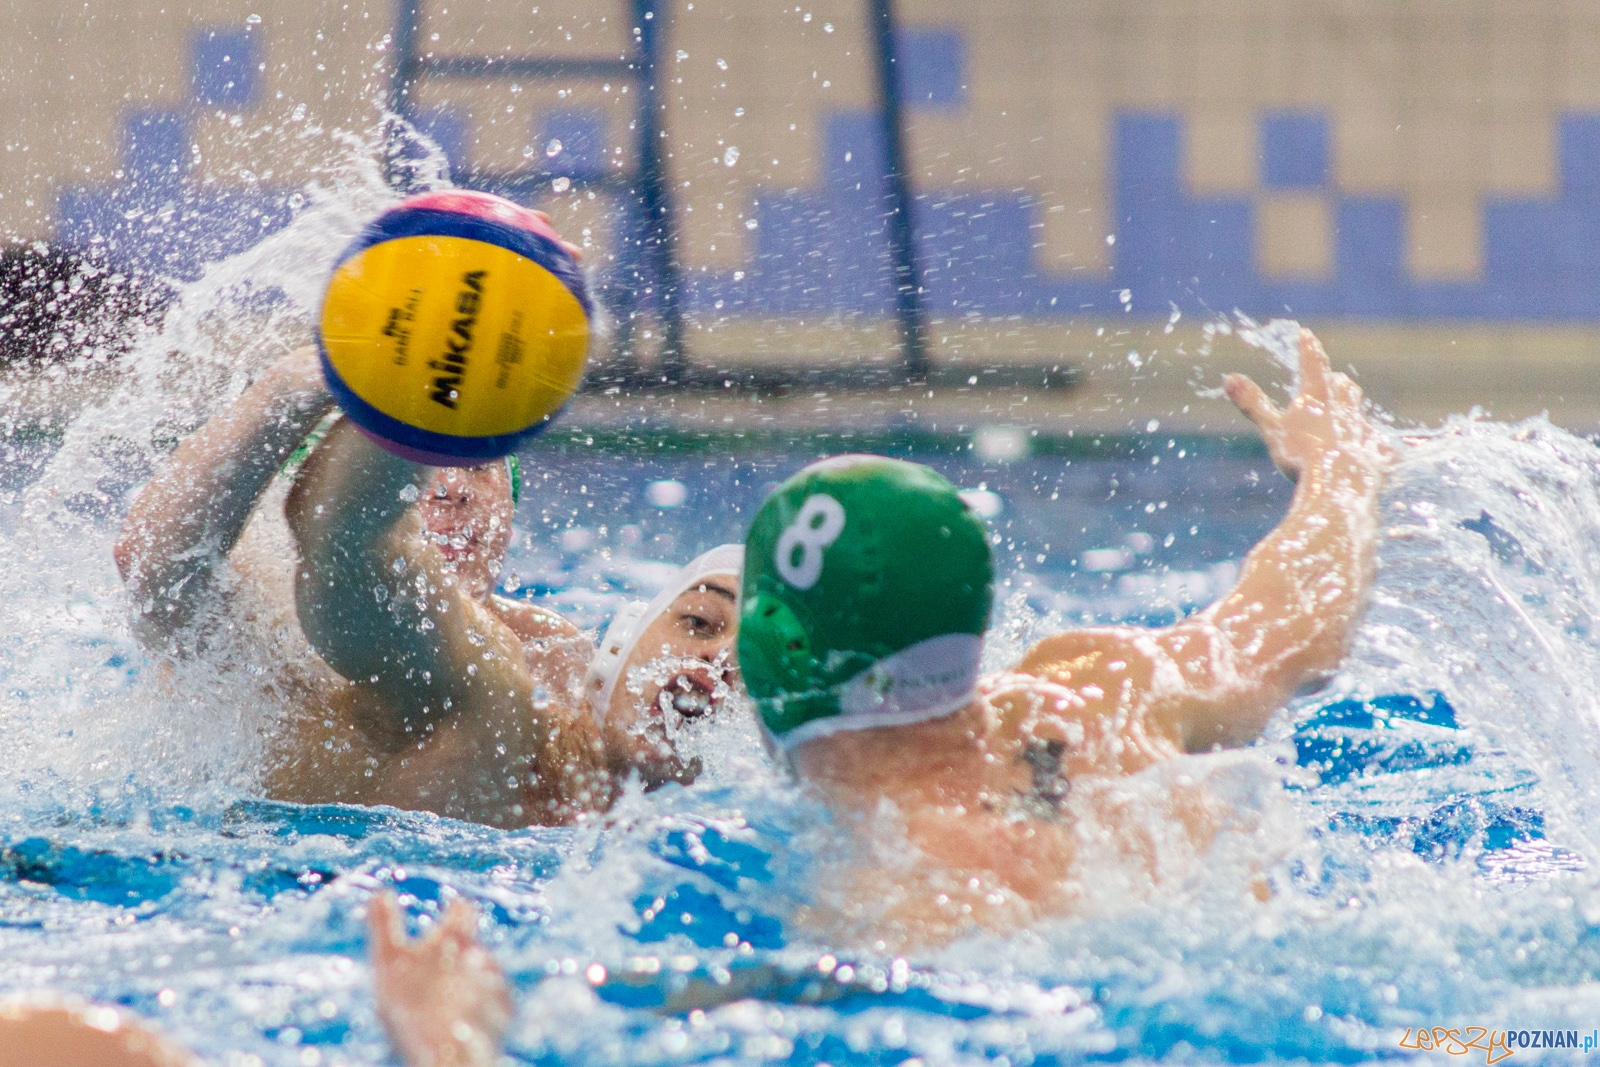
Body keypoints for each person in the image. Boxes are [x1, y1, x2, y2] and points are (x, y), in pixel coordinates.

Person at [736, 329, 1393, 942]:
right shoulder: (1103, 685)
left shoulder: (886, 899)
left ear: (773, 650)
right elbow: (1298, 623)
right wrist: (1339, 467)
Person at [114, 343, 743, 827]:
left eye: (479, 465)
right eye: (425, 462)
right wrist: (290, 389)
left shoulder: (557, 661)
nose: (453, 488)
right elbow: (152, 561)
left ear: (510, 517)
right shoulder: (270, 607)